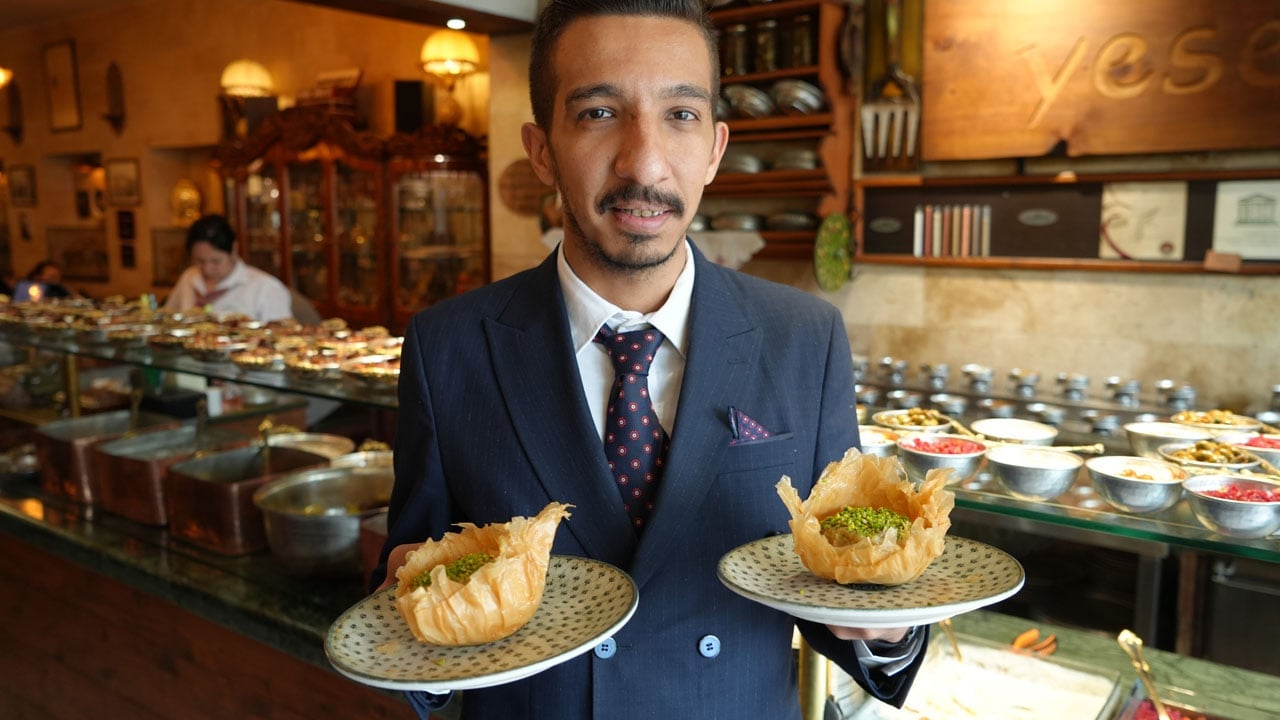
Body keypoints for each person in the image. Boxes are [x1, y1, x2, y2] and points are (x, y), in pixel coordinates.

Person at [373, 1, 929, 718]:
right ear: (541, 150)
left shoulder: (804, 338)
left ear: (715, 149)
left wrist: (886, 625)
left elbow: (841, 591)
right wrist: (412, 631)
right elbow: (411, 591)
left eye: (681, 115)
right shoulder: (447, 347)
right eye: (599, 113)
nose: (644, 161)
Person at [162, 214, 293, 322]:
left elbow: (284, 338)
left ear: (234, 250)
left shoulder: (265, 288)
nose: (207, 269)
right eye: (199, 261)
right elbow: (168, 320)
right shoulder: (189, 278)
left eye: (215, 261)